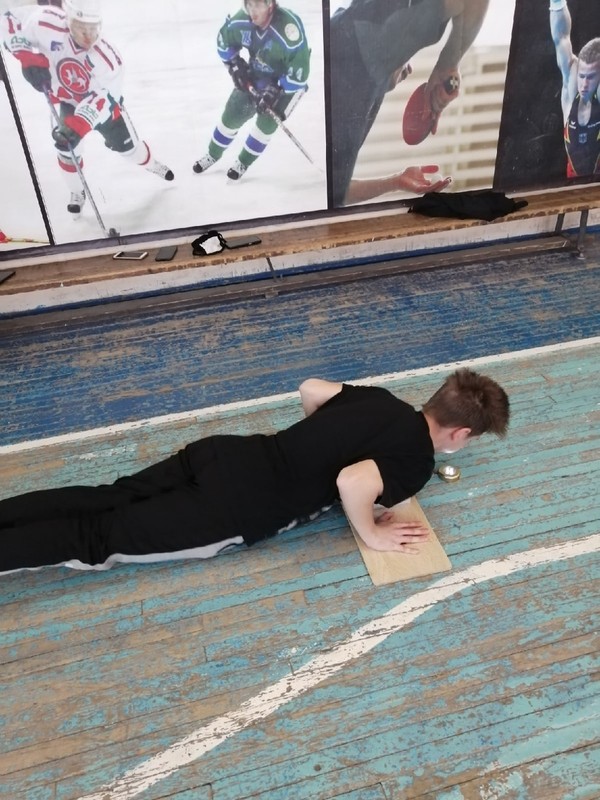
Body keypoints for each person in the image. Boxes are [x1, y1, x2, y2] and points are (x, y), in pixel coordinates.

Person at [0, 369, 509, 575]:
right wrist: (372, 532)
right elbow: (353, 482)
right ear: (461, 434)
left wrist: (318, 445)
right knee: (95, 539)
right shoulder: (417, 461)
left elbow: (312, 389)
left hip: (223, 454)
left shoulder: (382, 399)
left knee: (107, 496)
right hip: (231, 509)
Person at [1, 0, 174, 219]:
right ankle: (76, 191)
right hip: (67, 101)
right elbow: (9, 20)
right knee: (67, 151)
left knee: (131, 151)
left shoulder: (107, 58)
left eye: (93, 29)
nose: (88, 36)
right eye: (82, 28)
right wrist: (26, 56)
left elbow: (107, 97)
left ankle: (150, 163)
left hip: (105, 110)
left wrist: (80, 124)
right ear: (69, 20)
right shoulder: (46, 23)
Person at [329, 0, 490, 206]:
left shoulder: (370, 53)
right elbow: (337, 192)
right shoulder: (372, 50)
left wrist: (448, 65)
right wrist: (448, 64)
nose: (410, 69)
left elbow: (335, 191)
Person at [192, 0, 310, 181]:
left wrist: (277, 90)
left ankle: (243, 162)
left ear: (270, 5)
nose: (252, 10)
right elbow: (224, 41)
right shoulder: (241, 20)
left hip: (287, 85)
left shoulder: (288, 30)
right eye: (249, 4)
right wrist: (235, 65)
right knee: (232, 114)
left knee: (266, 125)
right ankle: (212, 154)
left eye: (258, 5)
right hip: (258, 74)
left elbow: (300, 72)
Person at [549, 0, 600, 178]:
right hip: (574, 190)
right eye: (582, 76)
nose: (584, 84)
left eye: (591, 77)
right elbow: (561, 38)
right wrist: (556, 3)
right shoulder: (572, 90)